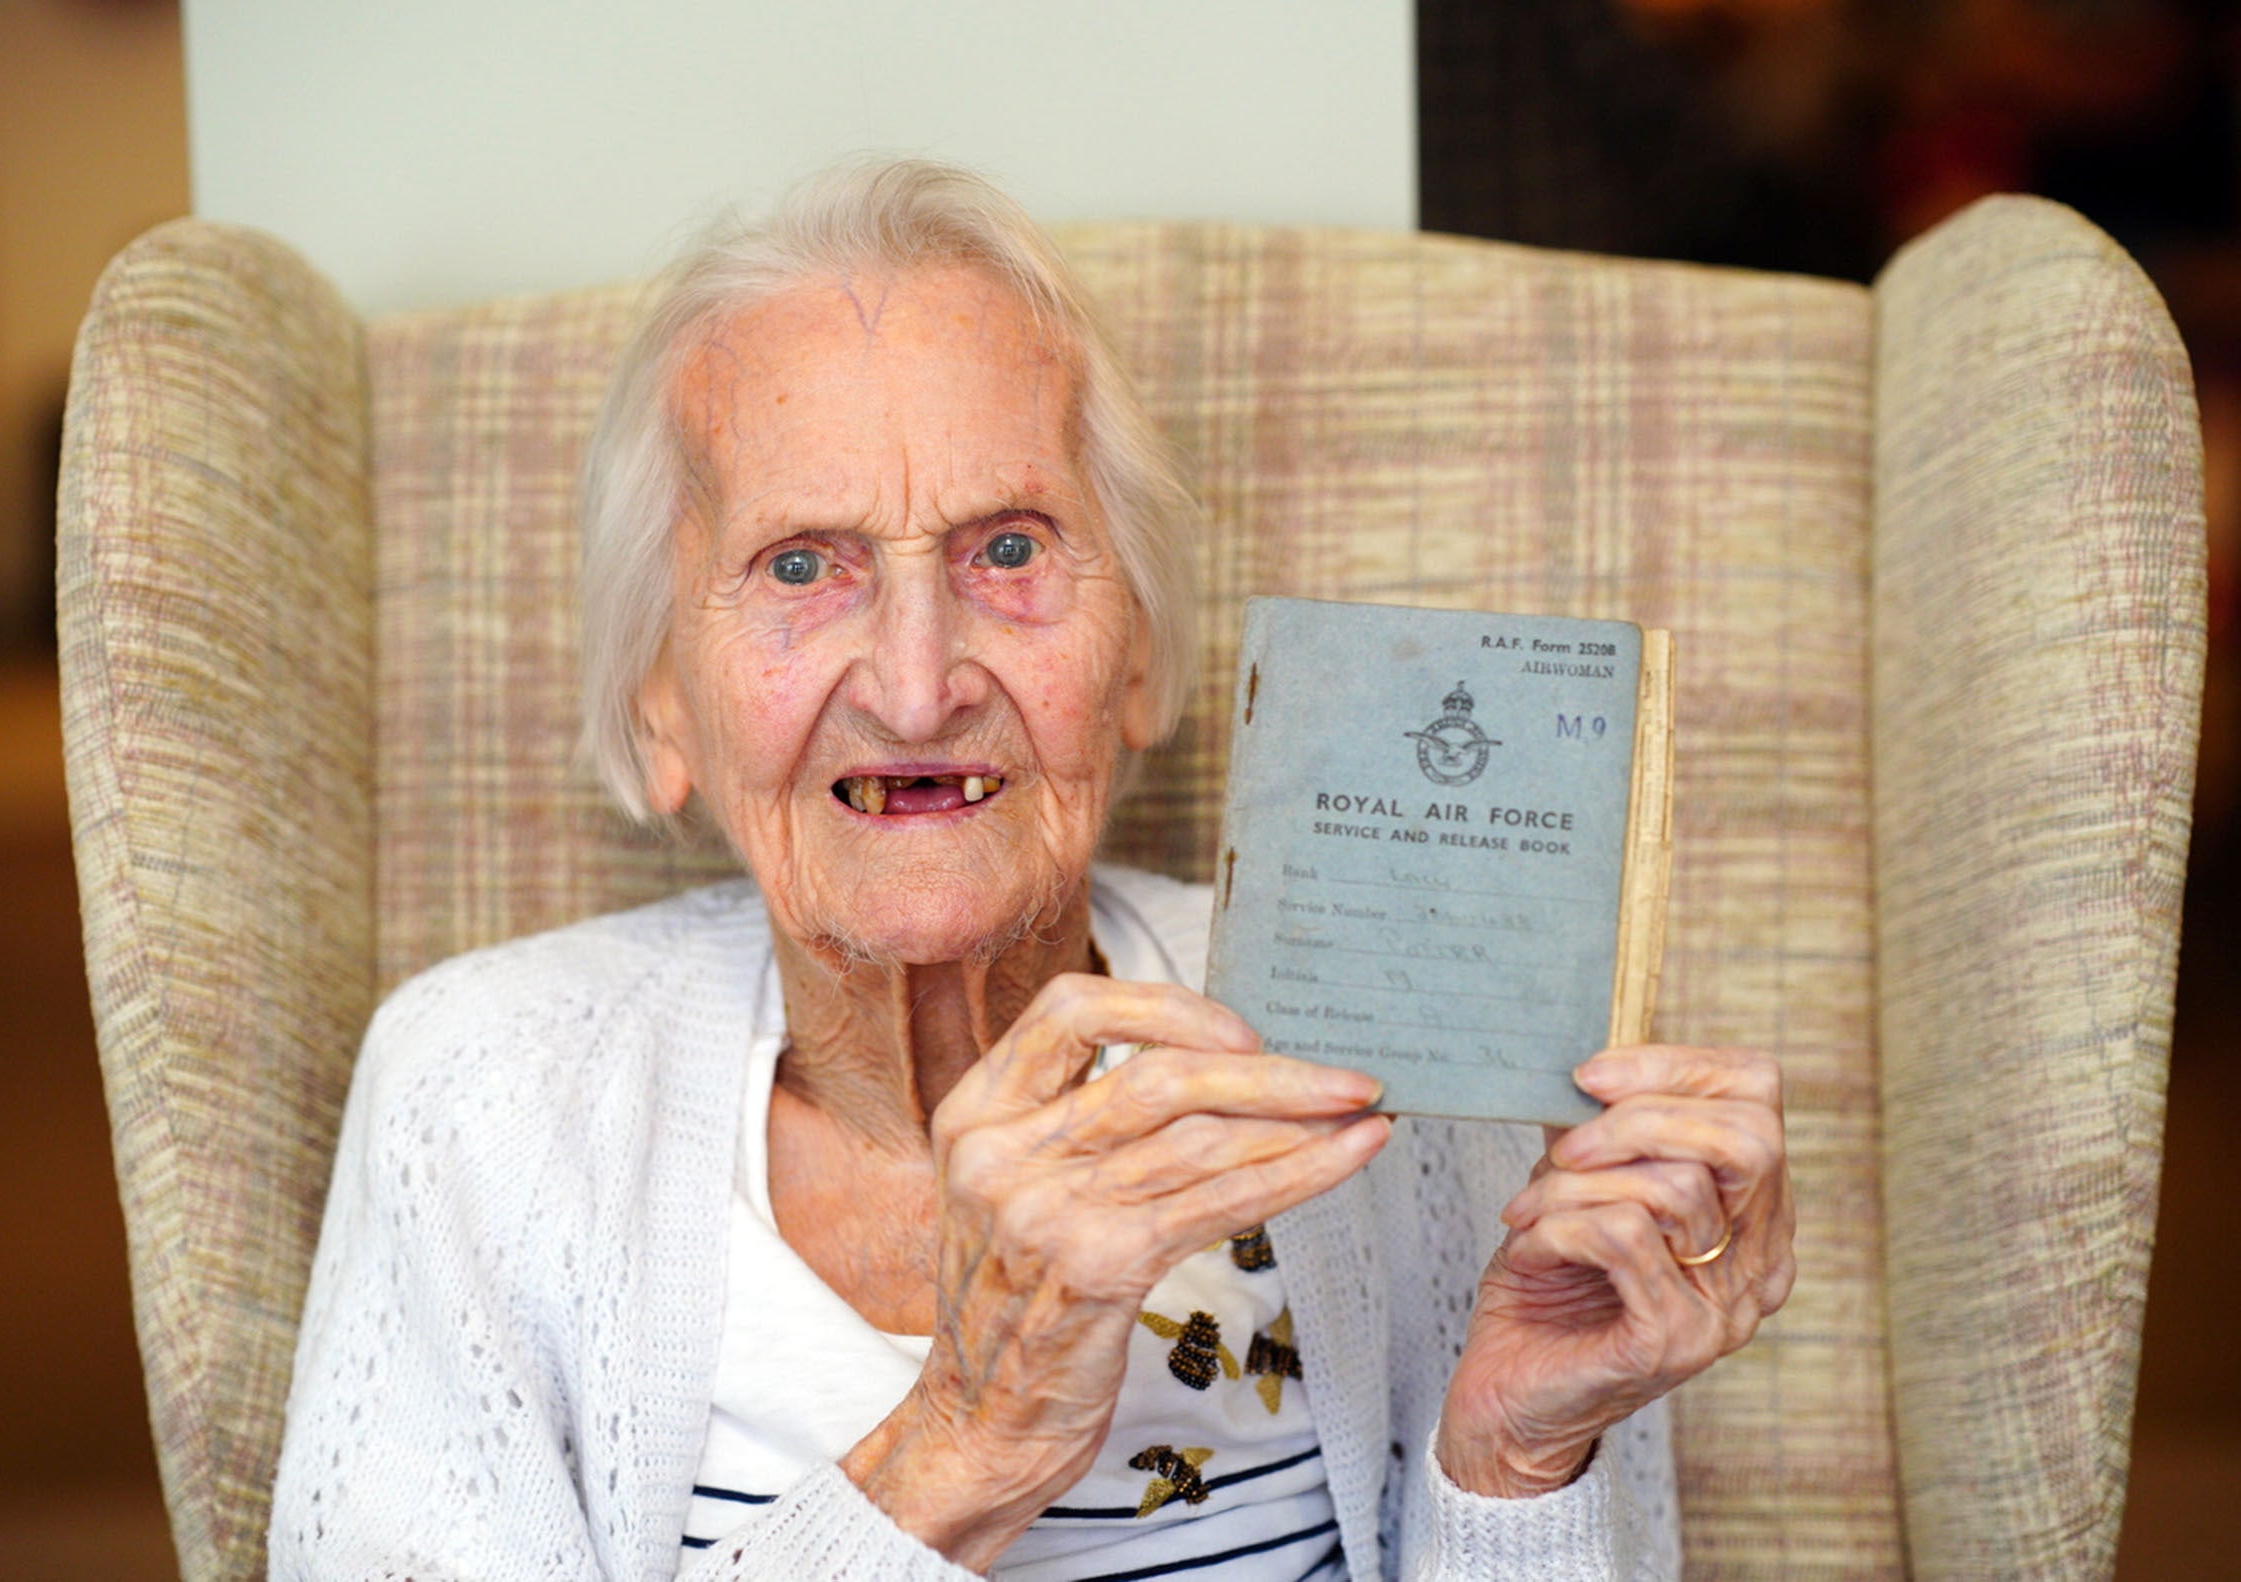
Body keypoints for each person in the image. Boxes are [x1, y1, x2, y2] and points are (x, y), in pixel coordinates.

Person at [269, 159, 1794, 1581]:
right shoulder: (480, 1098)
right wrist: (965, 1439)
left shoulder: (1377, 1061)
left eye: (1008, 549)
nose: (918, 682)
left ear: (1137, 660)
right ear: (660, 702)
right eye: (801, 564)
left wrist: (1516, 1461)